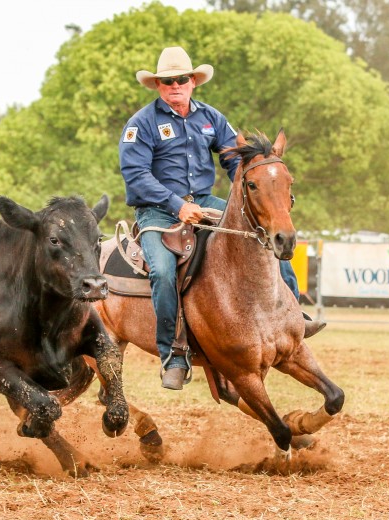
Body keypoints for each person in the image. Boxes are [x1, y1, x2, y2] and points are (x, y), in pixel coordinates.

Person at [119, 46, 324, 390]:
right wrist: (176, 205)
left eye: (181, 79)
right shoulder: (141, 124)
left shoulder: (210, 117)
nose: (175, 85)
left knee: (268, 238)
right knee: (163, 270)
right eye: (168, 81)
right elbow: (136, 174)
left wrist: (256, 186)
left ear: (193, 82)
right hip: (157, 212)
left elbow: (237, 160)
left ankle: (294, 317)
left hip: (205, 202)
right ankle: (174, 354)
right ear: (157, 85)